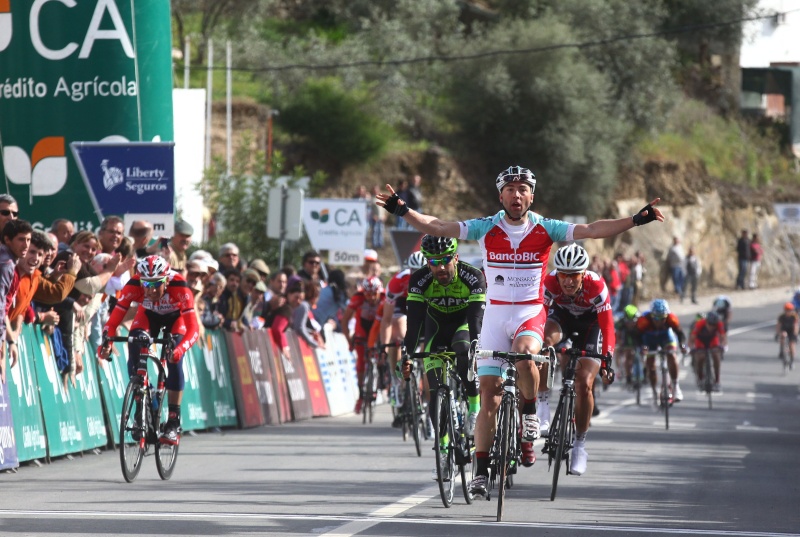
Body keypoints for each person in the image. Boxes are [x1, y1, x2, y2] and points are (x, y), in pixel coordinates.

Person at [376, 164, 664, 498]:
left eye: (523, 188)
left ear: (532, 195)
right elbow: (439, 225)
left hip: (530, 311)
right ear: (501, 196)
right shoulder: (486, 227)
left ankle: (529, 411)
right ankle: (480, 472)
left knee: (527, 354)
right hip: (495, 314)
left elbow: (592, 229)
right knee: (488, 396)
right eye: (510, 189)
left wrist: (634, 220)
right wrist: (403, 210)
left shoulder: (546, 228)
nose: (517, 194)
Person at [400, 237, 485, 476]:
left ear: (455, 258)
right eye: (434, 262)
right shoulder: (419, 279)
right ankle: (444, 446)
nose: (440, 267)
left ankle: (474, 406)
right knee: (435, 391)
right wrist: (406, 354)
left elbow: (476, 319)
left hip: (464, 326)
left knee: (463, 348)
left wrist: (476, 347)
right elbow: (414, 322)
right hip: (435, 329)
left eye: (445, 260)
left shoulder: (472, 276)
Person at [98, 255, 199, 445]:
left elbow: (193, 329)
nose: (150, 290)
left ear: (166, 280)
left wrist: (179, 349)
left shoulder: (179, 285)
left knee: (174, 359)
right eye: (146, 284)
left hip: (176, 319)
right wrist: (106, 343)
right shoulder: (134, 284)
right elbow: (113, 321)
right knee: (134, 344)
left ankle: (173, 422)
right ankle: (141, 404)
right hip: (149, 315)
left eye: (156, 284)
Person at [537, 243, 615, 475]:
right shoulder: (549, 283)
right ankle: (542, 404)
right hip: (562, 318)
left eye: (574, 276)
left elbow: (608, 326)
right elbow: (539, 315)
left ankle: (580, 444)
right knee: (542, 344)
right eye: (563, 275)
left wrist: (607, 358)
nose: (568, 281)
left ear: (583, 274)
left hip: (591, 324)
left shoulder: (597, 287)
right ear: (557, 273)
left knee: (584, 384)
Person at [381, 250, 426, 425]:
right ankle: (395, 377)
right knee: (399, 334)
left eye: (420, 271)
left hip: (422, 305)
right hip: (402, 306)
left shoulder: (433, 279)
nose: (417, 275)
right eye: (413, 271)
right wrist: (385, 346)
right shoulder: (398, 282)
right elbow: (386, 320)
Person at [341, 276, 385, 413]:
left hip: (378, 327)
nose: (371, 298)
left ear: (380, 291)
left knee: (381, 354)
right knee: (361, 360)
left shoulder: (385, 298)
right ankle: (361, 394)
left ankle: (380, 378)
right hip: (363, 327)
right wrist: (349, 341)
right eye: (368, 294)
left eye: (374, 294)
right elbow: (345, 321)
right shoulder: (357, 298)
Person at [636, 298, 687, 405]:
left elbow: (680, 333)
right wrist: (642, 347)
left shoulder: (671, 318)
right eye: (656, 318)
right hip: (649, 340)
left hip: (666, 337)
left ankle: (676, 386)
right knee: (651, 366)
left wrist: (682, 346)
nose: (659, 321)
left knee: (672, 355)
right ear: (651, 315)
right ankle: (654, 391)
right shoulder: (643, 320)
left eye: (662, 318)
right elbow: (637, 336)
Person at [0, 219, 32, 383]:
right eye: (21, 239)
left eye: (28, 240)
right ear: (7, 239)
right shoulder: (6, 263)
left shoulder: (8, 260)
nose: (26, 245)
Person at [689, 310, 726, 392]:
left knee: (716, 356)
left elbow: (723, 337)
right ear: (706, 321)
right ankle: (700, 378)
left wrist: (723, 346)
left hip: (712, 340)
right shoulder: (700, 324)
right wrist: (691, 348)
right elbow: (692, 338)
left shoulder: (719, 324)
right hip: (700, 340)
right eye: (710, 324)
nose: (712, 327)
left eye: (714, 325)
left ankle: (717, 381)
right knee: (700, 357)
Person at [615, 304, 641, 386]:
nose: (630, 324)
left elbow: (644, 334)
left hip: (637, 336)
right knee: (628, 354)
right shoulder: (620, 322)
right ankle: (628, 376)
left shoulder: (640, 321)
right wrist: (620, 344)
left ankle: (644, 371)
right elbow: (618, 335)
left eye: (633, 322)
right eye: (628, 322)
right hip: (626, 337)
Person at [775, 302, 798, 367]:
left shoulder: (794, 316)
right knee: (783, 335)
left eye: (789, 310)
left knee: (792, 345)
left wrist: (795, 335)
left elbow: (796, 326)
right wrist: (777, 334)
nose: (788, 311)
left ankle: (792, 360)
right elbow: (778, 325)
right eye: (787, 310)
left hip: (791, 330)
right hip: (784, 329)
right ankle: (781, 350)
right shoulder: (781, 316)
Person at [666, 236, 685, 301]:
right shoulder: (672, 248)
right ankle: (678, 291)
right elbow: (669, 257)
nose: (677, 241)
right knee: (675, 278)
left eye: (678, 240)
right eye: (676, 240)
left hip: (681, 265)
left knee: (681, 278)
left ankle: (681, 290)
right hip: (674, 265)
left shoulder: (680, 247)